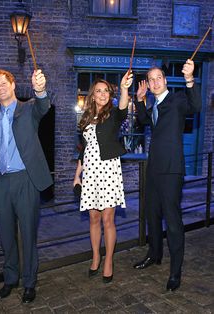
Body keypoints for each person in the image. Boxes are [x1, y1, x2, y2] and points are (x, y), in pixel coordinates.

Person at [0, 68, 53, 303]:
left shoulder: (29, 108)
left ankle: (29, 282)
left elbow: (44, 105)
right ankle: (10, 279)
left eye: (3, 83)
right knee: (5, 234)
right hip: (0, 181)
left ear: (12, 85)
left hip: (25, 179)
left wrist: (40, 89)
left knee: (28, 232)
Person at [133, 59, 202, 291]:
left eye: (158, 78)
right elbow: (143, 121)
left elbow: (197, 106)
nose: (154, 82)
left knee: (172, 221)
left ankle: (175, 271)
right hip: (153, 169)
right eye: (150, 80)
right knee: (151, 215)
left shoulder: (177, 100)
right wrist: (140, 99)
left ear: (165, 80)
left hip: (172, 169)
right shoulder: (153, 104)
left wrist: (190, 79)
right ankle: (154, 254)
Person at [73, 71, 133, 283]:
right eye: (98, 91)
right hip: (90, 172)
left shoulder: (115, 114)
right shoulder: (86, 117)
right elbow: (84, 149)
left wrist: (124, 88)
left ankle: (109, 260)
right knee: (93, 218)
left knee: (108, 219)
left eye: (106, 91)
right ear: (92, 95)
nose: (102, 94)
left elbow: (124, 106)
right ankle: (95, 257)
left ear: (110, 94)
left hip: (108, 170)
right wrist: (77, 175)